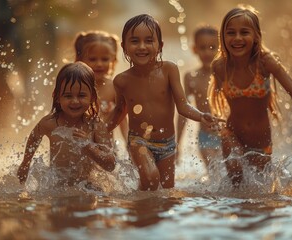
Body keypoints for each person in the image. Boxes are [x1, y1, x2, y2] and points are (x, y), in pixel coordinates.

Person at [208, 5, 292, 186]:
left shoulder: (265, 63)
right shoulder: (220, 66)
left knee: (261, 191)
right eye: (231, 32)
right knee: (236, 177)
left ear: (256, 36)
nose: (237, 38)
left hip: (261, 139)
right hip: (232, 133)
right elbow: (214, 101)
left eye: (244, 32)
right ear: (222, 36)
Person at [107, 14, 216, 191]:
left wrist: (201, 116)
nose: (142, 47)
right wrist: (99, 132)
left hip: (167, 144)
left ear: (160, 46)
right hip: (138, 141)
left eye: (149, 41)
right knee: (151, 177)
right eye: (135, 41)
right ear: (124, 47)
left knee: (166, 193)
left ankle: (140, 210)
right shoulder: (122, 81)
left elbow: (183, 106)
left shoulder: (169, 70)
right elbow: (119, 112)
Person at [17, 62, 116, 187]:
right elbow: (34, 138)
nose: (75, 101)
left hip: (86, 185)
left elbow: (111, 164)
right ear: (57, 97)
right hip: (57, 185)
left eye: (81, 95)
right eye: (68, 96)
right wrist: (25, 163)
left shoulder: (95, 126)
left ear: (92, 97)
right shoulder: (50, 123)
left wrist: (89, 147)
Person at [74, 30, 129, 148]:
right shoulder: (75, 87)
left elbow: (122, 119)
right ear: (80, 59)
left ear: (113, 60)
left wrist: (128, 145)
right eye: (93, 59)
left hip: (105, 149)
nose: (99, 64)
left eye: (104, 59)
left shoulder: (114, 88)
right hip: (79, 148)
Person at [177, 24, 221, 169]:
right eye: (202, 48)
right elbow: (183, 111)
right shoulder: (191, 77)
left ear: (220, 48)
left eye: (212, 47)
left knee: (233, 176)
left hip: (228, 134)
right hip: (205, 136)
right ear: (194, 49)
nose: (207, 53)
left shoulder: (225, 74)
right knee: (215, 175)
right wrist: (178, 143)